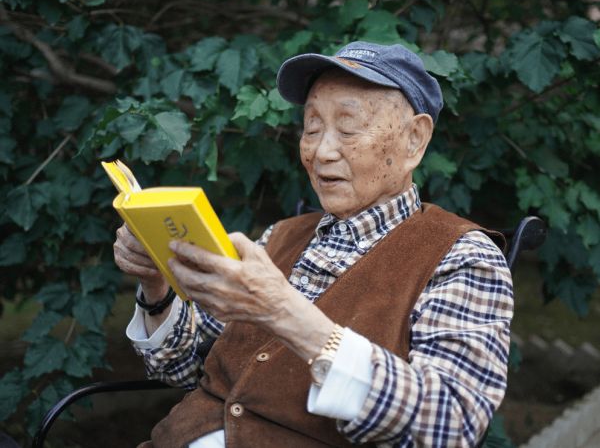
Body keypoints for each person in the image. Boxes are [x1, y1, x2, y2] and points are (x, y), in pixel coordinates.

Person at [114, 41, 513, 447]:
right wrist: (156, 284)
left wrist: (283, 312)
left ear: (414, 140)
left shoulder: (464, 257)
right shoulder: (280, 236)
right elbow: (178, 368)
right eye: (312, 127)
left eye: (348, 127)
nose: (321, 152)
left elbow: (450, 424)